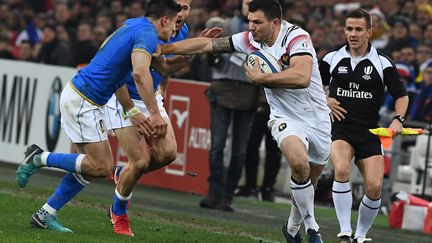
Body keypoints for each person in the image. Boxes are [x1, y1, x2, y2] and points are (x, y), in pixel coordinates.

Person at [159, 0, 331, 242]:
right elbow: (208, 44)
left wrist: (264, 78)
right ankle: (313, 230)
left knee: (308, 181)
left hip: (317, 118)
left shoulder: (296, 37)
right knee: (299, 163)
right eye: (249, 21)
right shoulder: (250, 39)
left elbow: (301, 77)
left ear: (275, 23)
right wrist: (165, 49)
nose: (251, 27)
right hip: (284, 116)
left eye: (257, 22)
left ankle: (293, 226)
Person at [15, 0, 181, 234]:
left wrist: (133, 111)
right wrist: (154, 113)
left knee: (91, 167)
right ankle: (39, 158)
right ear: (165, 19)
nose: (175, 28)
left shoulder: (132, 25)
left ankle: (45, 214)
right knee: (101, 166)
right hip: (84, 100)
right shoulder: (147, 33)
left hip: (88, 99)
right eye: (174, 22)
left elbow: (120, 76)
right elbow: (140, 73)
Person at [104, 0, 221, 236]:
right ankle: (119, 214)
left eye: (186, 7)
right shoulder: (148, 29)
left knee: (167, 154)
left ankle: (122, 174)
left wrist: (166, 85)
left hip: (149, 97)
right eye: (178, 5)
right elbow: (140, 69)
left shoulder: (182, 31)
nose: (181, 11)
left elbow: (165, 67)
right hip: (123, 94)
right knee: (140, 162)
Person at [319, 9, 409, 243]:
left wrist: (398, 120)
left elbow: (401, 96)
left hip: (370, 131)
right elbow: (311, 86)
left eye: (359, 29)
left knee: (375, 187)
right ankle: (345, 232)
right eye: (349, 29)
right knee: (340, 170)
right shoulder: (331, 59)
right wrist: (324, 99)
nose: (353, 33)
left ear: (369, 32)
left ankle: (360, 235)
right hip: (340, 128)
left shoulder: (383, 63)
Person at [198, 0, 260, 213]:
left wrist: (262, 98)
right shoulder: (225, 26)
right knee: (217, 146)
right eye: (247, 2)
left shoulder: (265, 33)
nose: (249, 5)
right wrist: (210, 54)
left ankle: (227, 195)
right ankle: (214, 191)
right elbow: (209, 59)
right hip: (223, 87)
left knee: (238, 152)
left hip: (249, 93)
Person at [236, 88, 282, 202]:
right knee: (252, 147)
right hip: (261, 105)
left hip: (278, 106)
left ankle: (267, 188)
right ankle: (252, 186)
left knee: (274, 151)